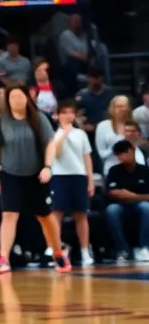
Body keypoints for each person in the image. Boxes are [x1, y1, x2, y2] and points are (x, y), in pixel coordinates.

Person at [0, 83, 68, 275]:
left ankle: (58, 253)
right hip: (9, 174)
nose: (17, 100)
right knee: (9, 214)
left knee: (45, 217)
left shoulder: (38, 118)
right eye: (12, 97)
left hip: (36, 174)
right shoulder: (2, 120)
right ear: (7, 100)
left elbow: (50, 144)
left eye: (20, 96)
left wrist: (48, 167)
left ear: (27, 98)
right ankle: (3, 259)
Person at [45, 101, 96, 267]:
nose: (68, 116)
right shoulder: (53, 134)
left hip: (79, 176)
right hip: (59, 176)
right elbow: (55, 153)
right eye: (64, 112)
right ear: (57, 115)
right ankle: (56, 251)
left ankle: (84, 251)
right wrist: (64, 134)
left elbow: (86, 157)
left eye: (71, 112)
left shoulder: (81, 134)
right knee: (56, 214)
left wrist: (90, 180)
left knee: (81, 215)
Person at [103, 140, 149, 262]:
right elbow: (112, 193)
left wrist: (133, 196)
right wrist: (139, 196)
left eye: (123, 153)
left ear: (131, 151)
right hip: (121, 205)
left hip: (141, 205)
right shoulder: (114, 170)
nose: (120, 157)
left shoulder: (145, 171)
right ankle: (122, 249)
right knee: (111, 210)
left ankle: (143, 248)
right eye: (118, 154)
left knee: (146, 208)